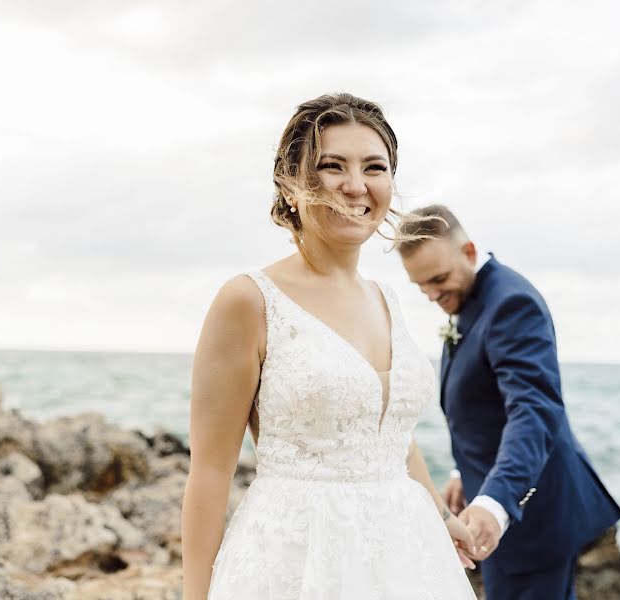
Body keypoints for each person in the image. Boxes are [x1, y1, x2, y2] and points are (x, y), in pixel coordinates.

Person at [181, 95, 478, 600]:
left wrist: (440, 512)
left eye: (374, 167)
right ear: (289, 184)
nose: (355, 185)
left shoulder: (386, 298)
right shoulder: (249, 300)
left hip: (406, 554)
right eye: (331, 166)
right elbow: (210, 469)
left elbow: (387, 433)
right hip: (296, 560)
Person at [397, 205, 620, 600]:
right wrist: (460, 469)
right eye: (422, 287)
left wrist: (494, 501)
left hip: (533, 517)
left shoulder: (510, 304)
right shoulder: (469, 298)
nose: (433, 295)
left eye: (438, 279)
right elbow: (484, 402)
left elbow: (534, 411)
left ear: (468, 252)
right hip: (500, 504)